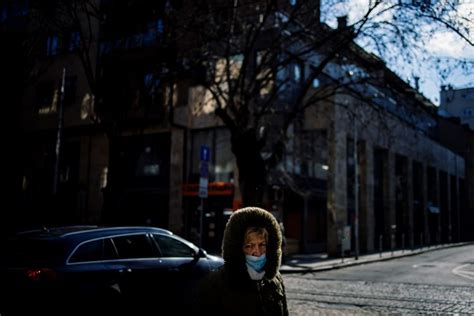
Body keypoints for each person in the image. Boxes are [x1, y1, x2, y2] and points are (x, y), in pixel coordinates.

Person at [194, 206, 288, 316]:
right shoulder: (216, 284)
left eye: (262, 244)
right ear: (238, 248)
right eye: (249, 246)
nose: (257, 252)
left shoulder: (276, 280)